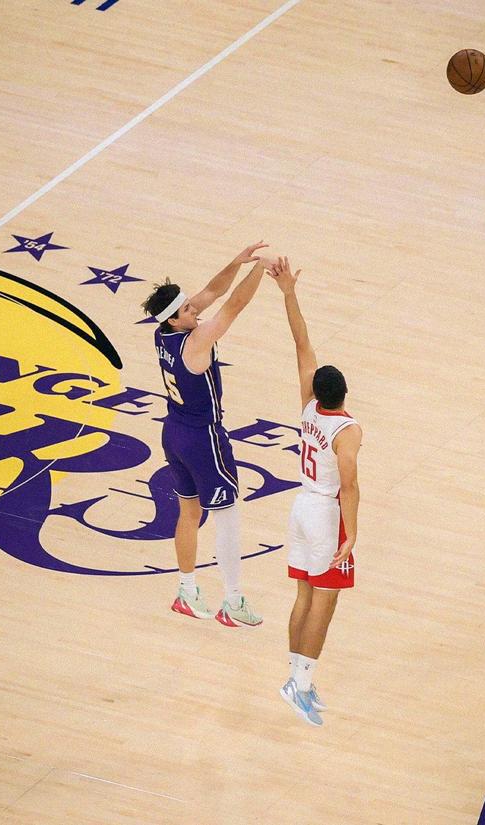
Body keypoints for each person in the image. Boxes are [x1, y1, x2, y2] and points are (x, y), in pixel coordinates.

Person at [141, 242, 273, 627]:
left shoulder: (164, 332)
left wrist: (236, 262)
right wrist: (260, 270)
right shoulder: (195, 342)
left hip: (173, 432)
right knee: (227, 515)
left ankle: (186, 590)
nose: (194, 310)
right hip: (203, 438)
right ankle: (232, 601)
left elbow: (213, 292)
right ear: (174, 319)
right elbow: (232, 306)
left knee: (189, 512)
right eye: (187, 310)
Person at [269, 257, 361, 726]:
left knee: (303, 597)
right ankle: (300, 685)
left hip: (300, 505)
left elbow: (301, 342)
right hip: (325, 513)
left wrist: (289, 293)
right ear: (345, 392)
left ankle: (296, 678)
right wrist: (352, 534)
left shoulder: (308, 406)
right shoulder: (348, 429)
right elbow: (349, 485)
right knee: (325, 603)